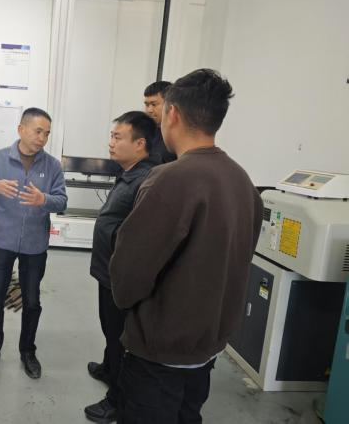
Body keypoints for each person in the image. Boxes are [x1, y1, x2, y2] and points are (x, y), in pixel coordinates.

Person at [109, 69, 263, 423]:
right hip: (206, 348)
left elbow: (129, 273)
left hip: (159, 353)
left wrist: (125, 303)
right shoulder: (242, 181)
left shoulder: (170, 179)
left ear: (173, 114)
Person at [0, 107, 67, 379]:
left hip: (35, 246)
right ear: (21, 130)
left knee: (32, 301)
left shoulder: (52, 166)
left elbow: (62, 201)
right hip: (1, 241)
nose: (42, 138)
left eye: (47, 133)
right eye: (38, 131)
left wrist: (44, 200)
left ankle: (28, 351)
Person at [84, 111, 159, 423]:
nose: (111, 143)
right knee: (110, 330)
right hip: (108, 272)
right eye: (111, 136)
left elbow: (138, 236)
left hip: (120, 278)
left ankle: (117, 400)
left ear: (140, 144)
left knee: (119, 337)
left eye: (117, 137)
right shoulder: (128, 174)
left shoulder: (145, 181)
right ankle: (108, 368)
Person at [143, 80, 177, 164]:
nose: (149, 110)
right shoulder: (143, 132)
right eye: (147, 105)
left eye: (154, 104)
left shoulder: (179, 135)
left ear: (169, 105)